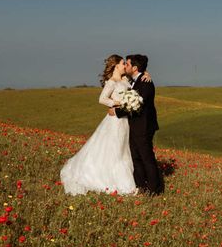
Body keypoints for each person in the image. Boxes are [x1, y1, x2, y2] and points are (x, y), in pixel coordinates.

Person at [60, 54, 150, 195]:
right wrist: (116, 104)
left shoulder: (126, 79)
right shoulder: (112, 82)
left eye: (126, 64)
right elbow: (102, 99)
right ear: (116, 66)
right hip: (116, 121)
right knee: (115, 149)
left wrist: (146, 73)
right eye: (122, 63)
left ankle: (134, 178)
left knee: (125, 150)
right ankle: (114, 180)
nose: (125, 66)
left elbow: (137, 75)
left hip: (127, 121)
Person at [109, 54, 162, 195]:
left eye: (127, 64)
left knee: (146, 157)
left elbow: (137, 104)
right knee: (136, 158)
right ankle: (140, 185)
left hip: (143, 127)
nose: (125, 66)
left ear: (135, 68)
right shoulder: (133, 80)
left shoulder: (146, 83)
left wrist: (117, 112)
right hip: (134, 126)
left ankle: (154, 189)